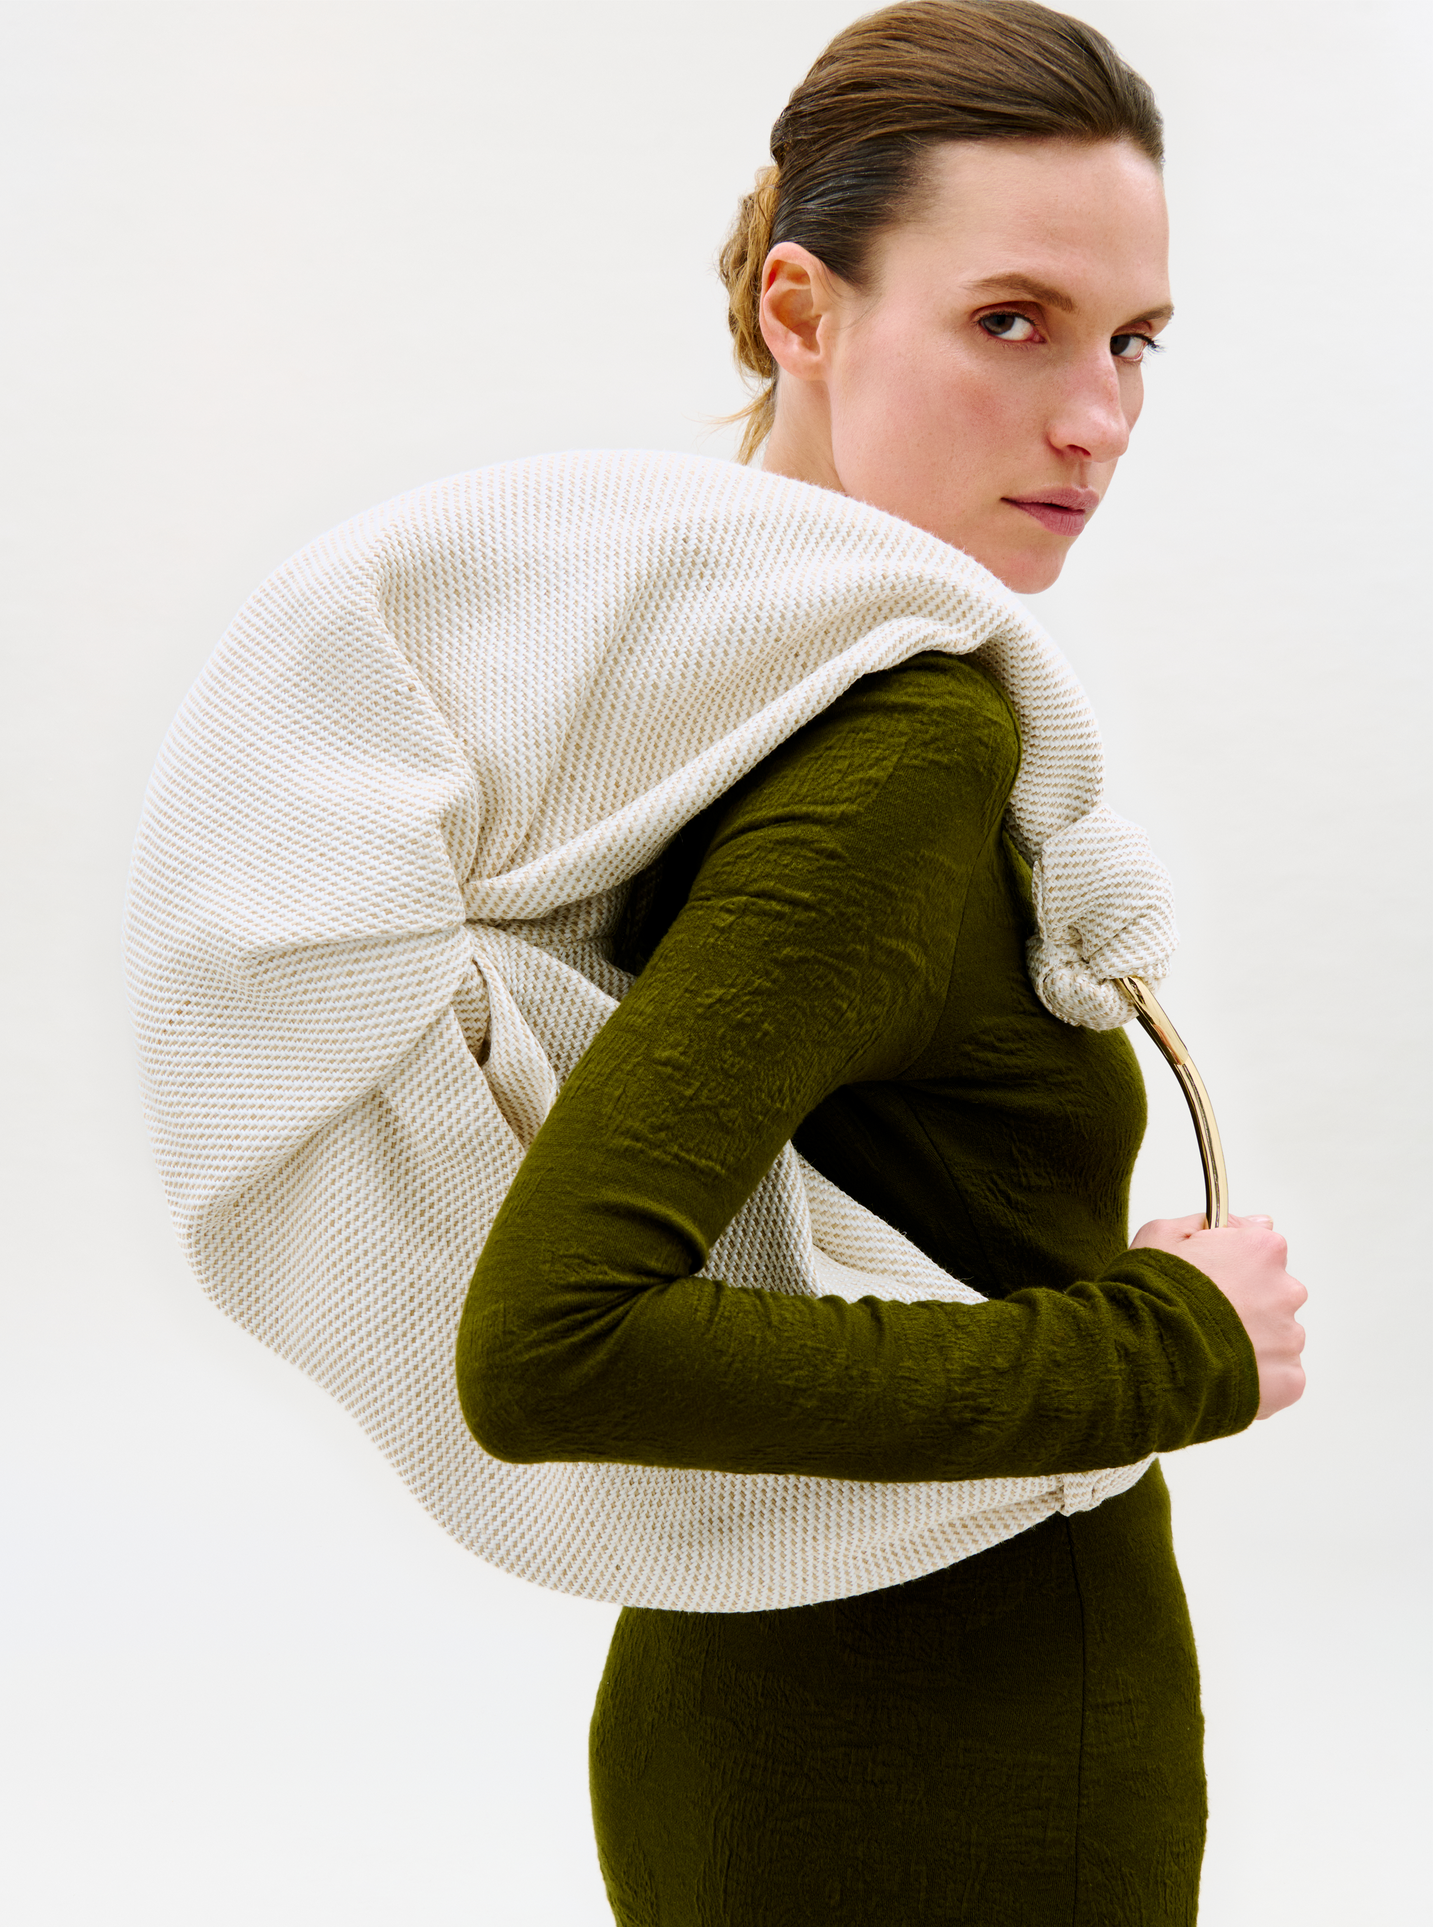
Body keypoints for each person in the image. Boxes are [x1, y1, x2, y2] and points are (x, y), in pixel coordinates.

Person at [455, 2, 1307, 1923]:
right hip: (958, 1758)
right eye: (1012, 320)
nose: (1095, 415)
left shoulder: (674, 698)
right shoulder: (903, 745)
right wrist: (1165, 1342)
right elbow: (557, 1344)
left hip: (736, 1709)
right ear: (801, 310)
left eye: (1133, 341)